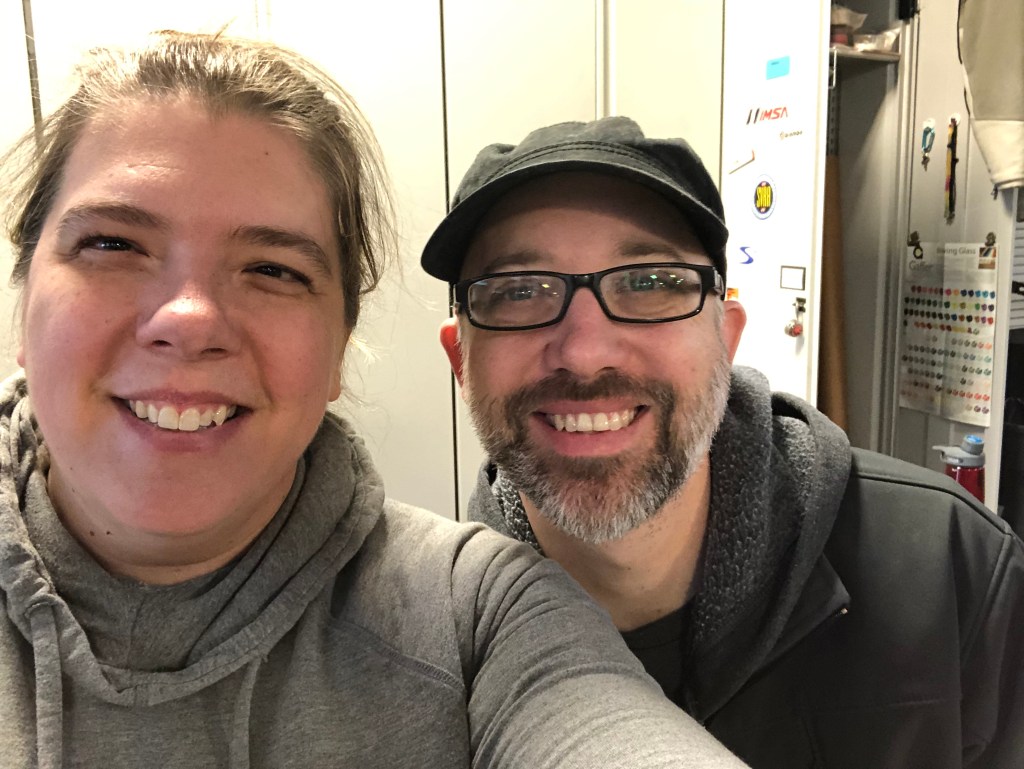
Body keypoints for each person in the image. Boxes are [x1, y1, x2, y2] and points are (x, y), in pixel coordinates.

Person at [0, 35, 750, 769]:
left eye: (273, 268)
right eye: (112, 244)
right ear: (23, 302)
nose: (189, 319)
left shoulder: (477, 611)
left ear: (339, 348)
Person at [422, 116, 1024, 767]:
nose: (587, 353)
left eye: (650, 282)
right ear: (461, 361)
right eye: (518, 292)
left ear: (726, 339)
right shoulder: (424, 653)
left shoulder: (955, 572)